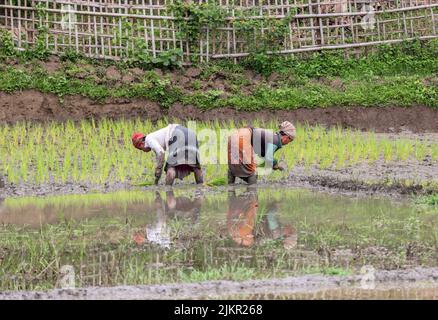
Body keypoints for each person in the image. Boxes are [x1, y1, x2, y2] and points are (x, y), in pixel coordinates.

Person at [132, 124, 203, 185]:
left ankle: (168, 191)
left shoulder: (149, 139)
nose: (144, 151)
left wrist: (158, 169)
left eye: (141, 149)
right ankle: (200, 187)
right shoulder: (155, 136)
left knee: (171, 167)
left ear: (141, 144)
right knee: (195, 166)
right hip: (191, 134)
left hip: (177, 134)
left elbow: (161, 153)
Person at [227, 121, 296, 185]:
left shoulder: (270, 137)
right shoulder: (276, 141)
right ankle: (251, 194)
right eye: (290, 141)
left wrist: (272, 165)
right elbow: (268, 158)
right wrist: (275, 163)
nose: (287, 143)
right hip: (244, 137)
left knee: (234, 165)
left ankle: (230, 188)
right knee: (252, 173)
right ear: (287, 137)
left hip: (234, 135)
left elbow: (264, 159)